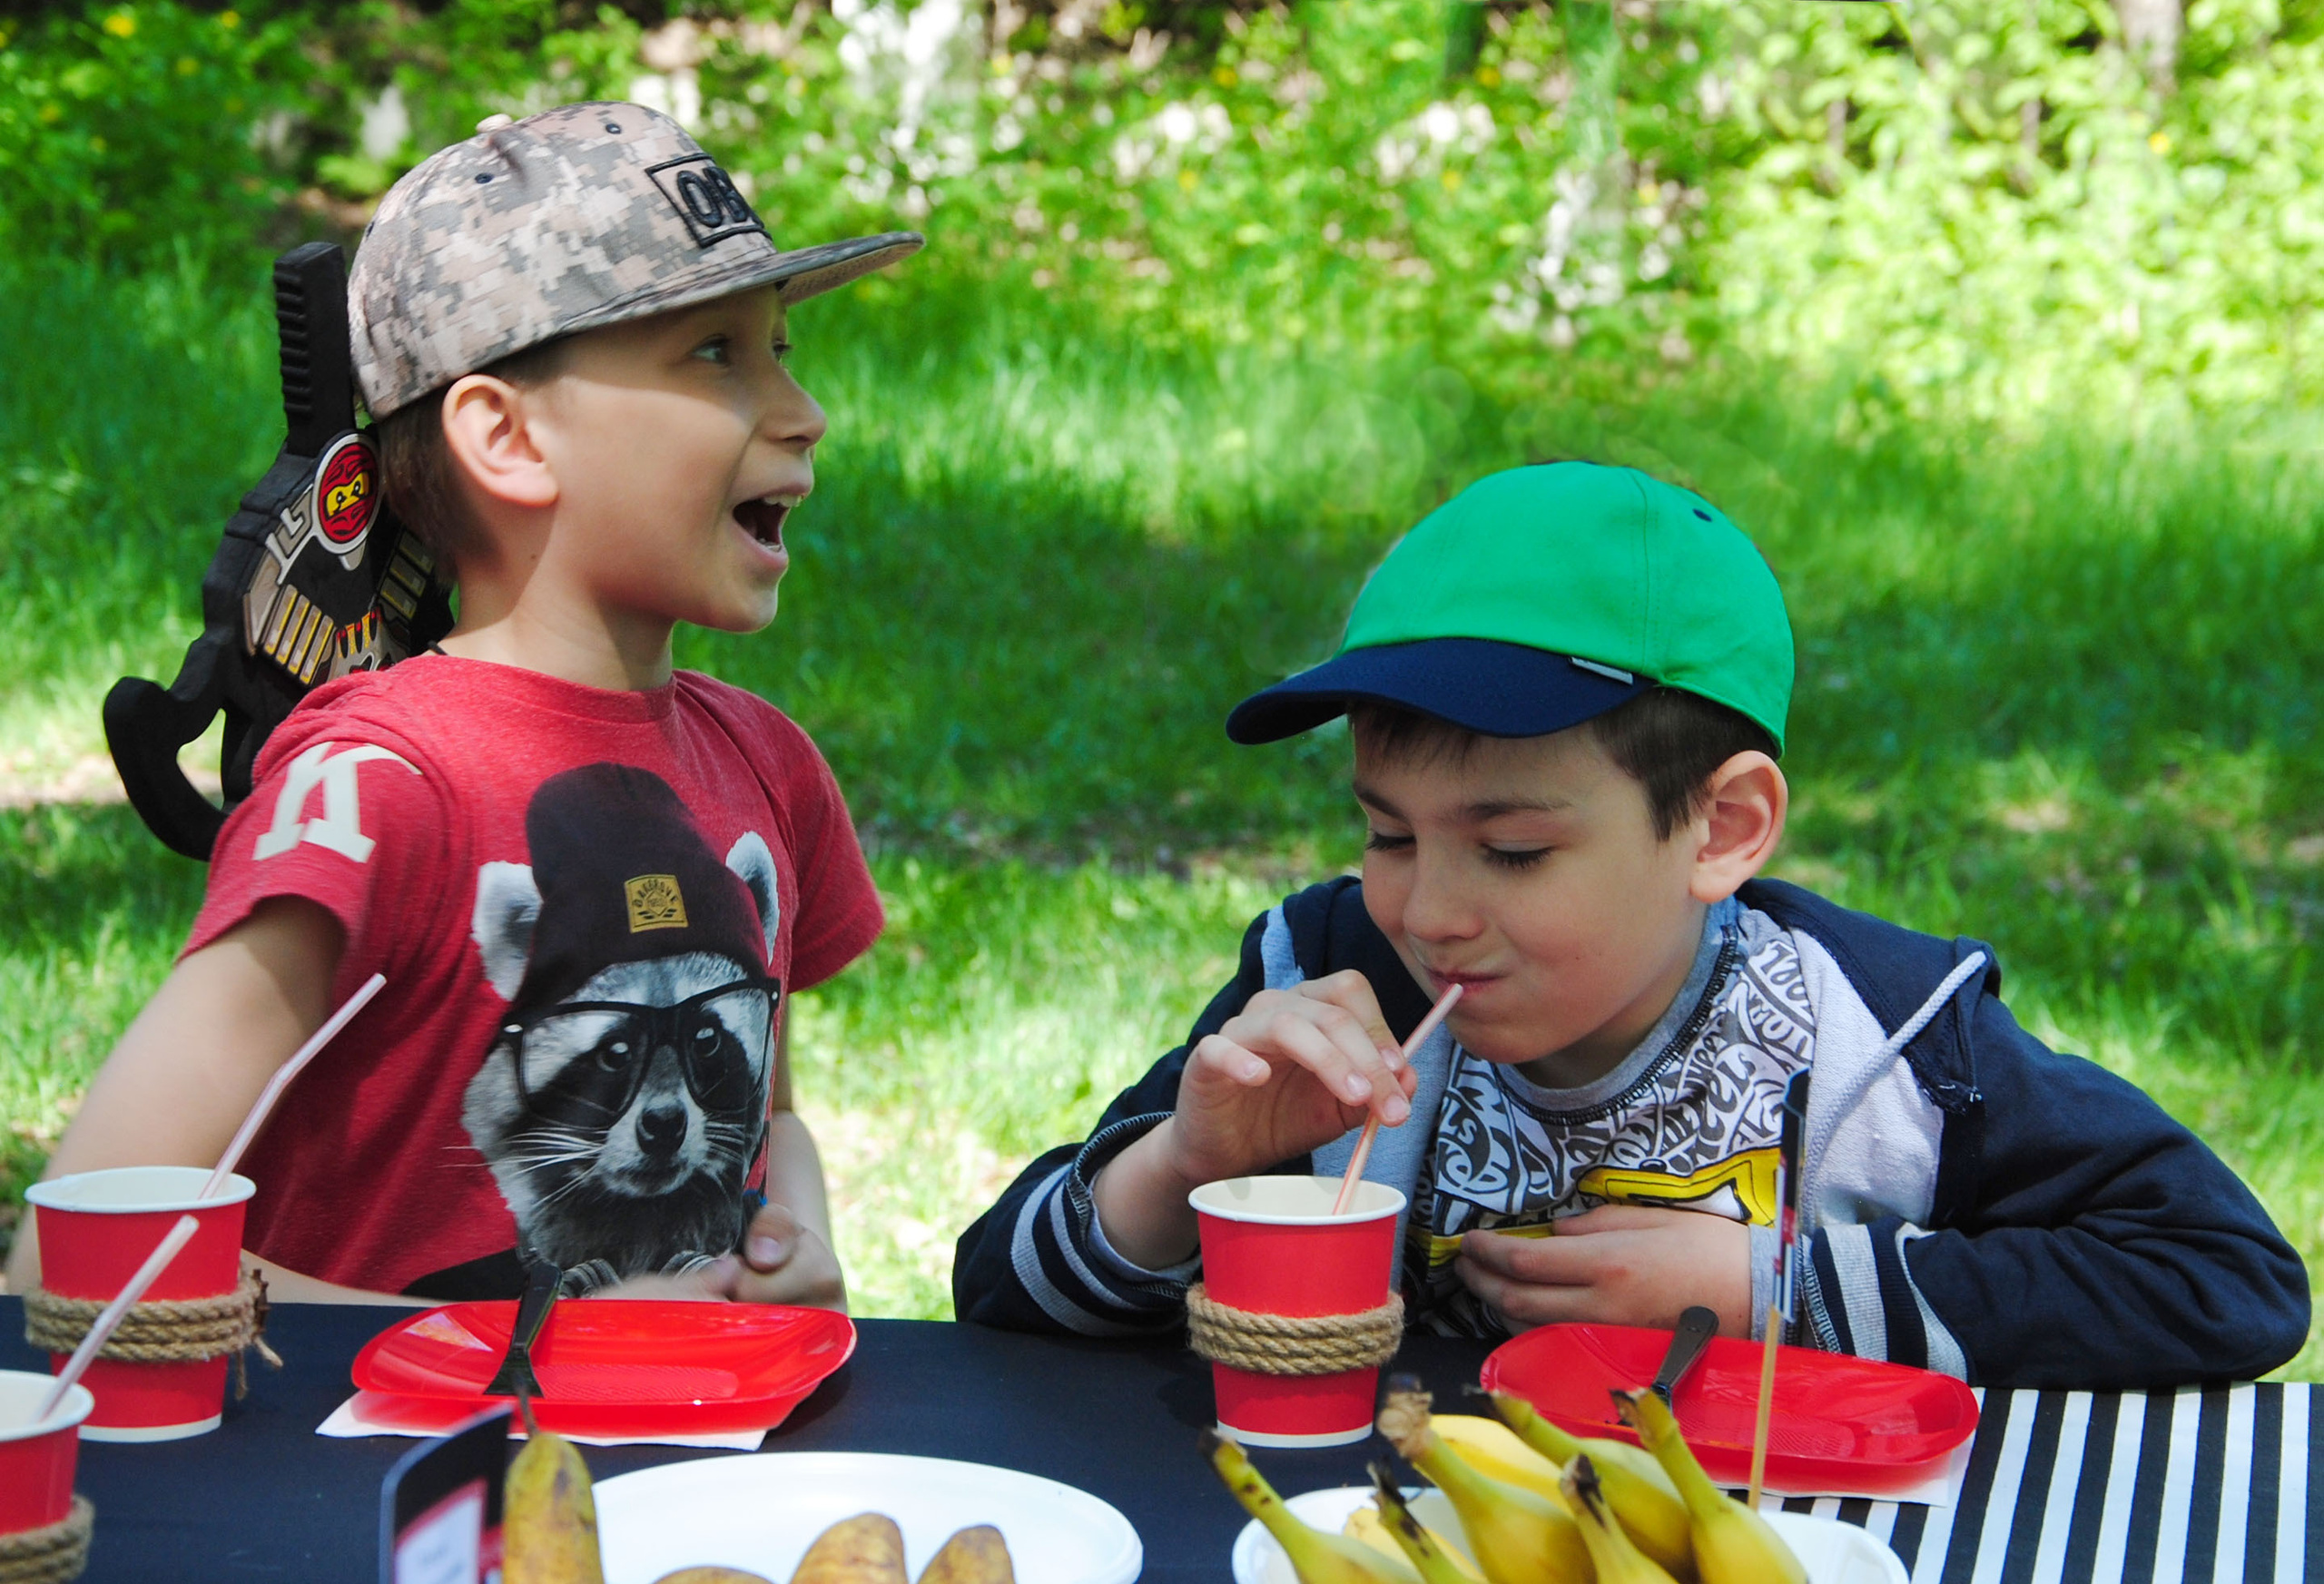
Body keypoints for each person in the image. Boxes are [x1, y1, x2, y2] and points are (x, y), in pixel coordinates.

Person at [953, 463, 2309, 1387]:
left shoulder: (1880, 1036)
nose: (1429, 908)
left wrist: (1775, 1287)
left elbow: (2227, 1281)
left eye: (1515, 846)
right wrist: (1187, 1164)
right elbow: (997, 1301)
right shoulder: (1332, 977)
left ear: (1719, 831)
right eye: (1385, 830)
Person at [7, 103, 920, 1307]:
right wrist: (542, 1350)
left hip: (679, 1478)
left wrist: (790, 1240)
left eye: (781, 347)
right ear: (506, 435)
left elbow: (772, 1118)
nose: (804, 413)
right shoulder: (382, 784)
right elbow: (83, 1249)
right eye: (715, 353)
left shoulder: (767, 769)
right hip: (384, 1491)